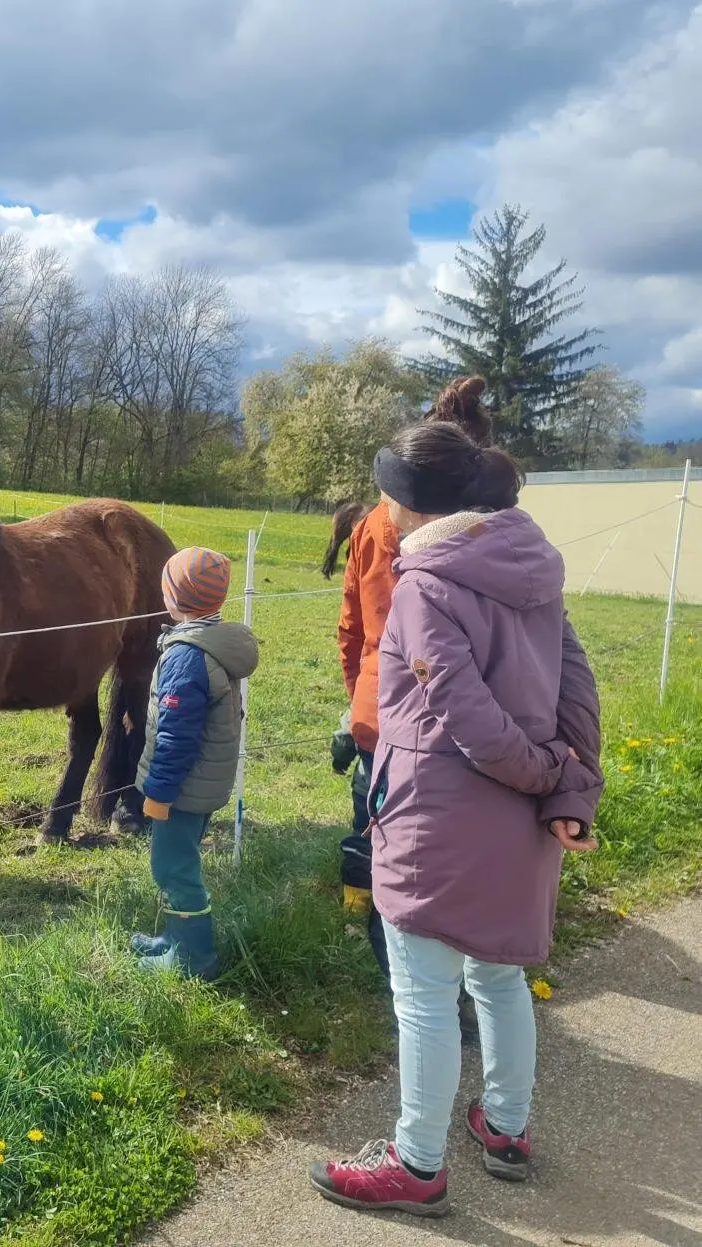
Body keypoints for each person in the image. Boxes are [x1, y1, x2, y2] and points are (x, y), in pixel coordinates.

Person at [311, 421, 603, 1218]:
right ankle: (504, 1127)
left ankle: (415, 1162)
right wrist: (569, 791)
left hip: (435, 823)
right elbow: (575, 686)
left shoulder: (424, 583)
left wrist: (550, 774)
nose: (378, 501)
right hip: (519, 827)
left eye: (385, 489)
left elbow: (466, 717)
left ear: (411, 506)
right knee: (501, 976)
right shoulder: (534, 572)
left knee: (423, 994)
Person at [336, 377, 495, 1044]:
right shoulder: (492, 528)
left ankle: (402, 980)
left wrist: (359, 699)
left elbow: (352, 626)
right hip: (475, 718)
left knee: (384, 845)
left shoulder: (378, 522)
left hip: (387, 713)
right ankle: (454, 987)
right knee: (458, 849)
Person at [125, 546, 259, 979]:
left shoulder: (185, 656)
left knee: (173, 868)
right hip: (203, 783)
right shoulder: (213, 643)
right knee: (179, 861)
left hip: (182, 788)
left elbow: (175, 736)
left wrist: (159, 795)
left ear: (173, 597)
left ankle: (194, 960)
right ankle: (174, 938)